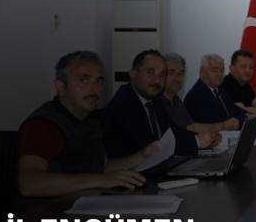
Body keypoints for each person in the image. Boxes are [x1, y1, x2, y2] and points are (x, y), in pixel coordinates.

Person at [18, 51, 154, 198]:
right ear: (61, 87)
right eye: (83, 80)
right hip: (50, 209)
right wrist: (100, 180)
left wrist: (142, 156)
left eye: (99, 81)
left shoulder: (91, 120)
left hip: (86, 205)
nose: (94, 89)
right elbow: (29, 184)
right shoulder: (42, 125)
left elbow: (102, 168)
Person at [103, 50, 219, 160]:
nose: (157, 80)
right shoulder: (124, 104)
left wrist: (206, 137)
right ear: (133, 74)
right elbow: (150, 150)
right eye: (150, 72)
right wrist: (196, 142)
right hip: (133, 171)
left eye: (162, 74)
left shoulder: (154, 100)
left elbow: (173, 132)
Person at [162, 52, 239, 132]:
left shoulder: (177, 101)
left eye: (180, 73)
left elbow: (192, 126)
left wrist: (223, 125)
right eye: (171, 73)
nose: (177, 78)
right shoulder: (194, 96)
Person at [184, 54, 248, 125]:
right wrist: (229, 124)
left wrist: (237, 121)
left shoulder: (222, 93)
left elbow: (241, 113)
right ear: (202, 72)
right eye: (214, 70)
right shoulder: (195, 96)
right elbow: (209, 124)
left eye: (221, 70)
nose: (219, 75)